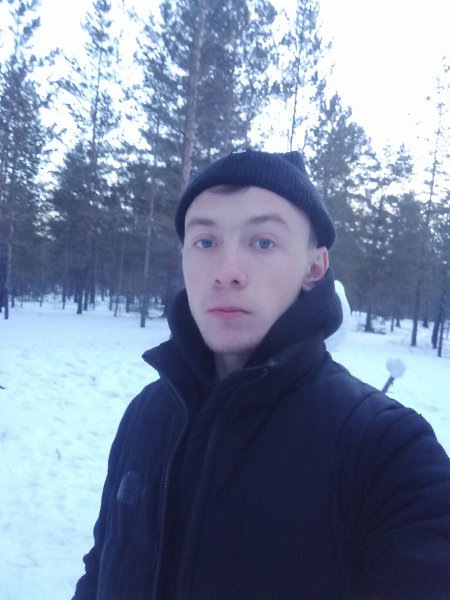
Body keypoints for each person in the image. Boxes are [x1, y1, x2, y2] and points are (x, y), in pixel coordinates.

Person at [73, 150, 450, 600]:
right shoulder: (147, 415)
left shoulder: (386, 450)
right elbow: (100, 570)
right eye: (205, 242)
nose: (226, 273)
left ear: (314, 267)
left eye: (263, 242)